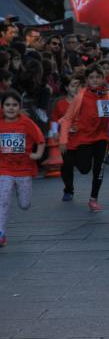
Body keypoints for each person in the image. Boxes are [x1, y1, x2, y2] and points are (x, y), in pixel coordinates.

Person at [58, 63, 109, 211]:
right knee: (84, 169)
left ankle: (93, 199)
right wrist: (63, 140)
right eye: (91, 77)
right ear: (87, 80)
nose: (95, 80)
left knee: (99, 169)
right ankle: (72, 164)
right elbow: (67, 119)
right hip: (83, 138)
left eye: (98, 77)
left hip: (101, 138)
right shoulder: (81, 96)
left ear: (103, 78)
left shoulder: (108, 96)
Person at [0, 90, 45, 247]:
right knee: (3, 201)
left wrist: (38, 155)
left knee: (24, 204)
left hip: (24, 170)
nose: (11, 108)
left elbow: (40, 140)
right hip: (4, 169)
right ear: (2, 107)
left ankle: (20, 191)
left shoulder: (26, 123)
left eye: (14, 105)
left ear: (20, 107)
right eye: (7, 105)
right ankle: (1, 233)